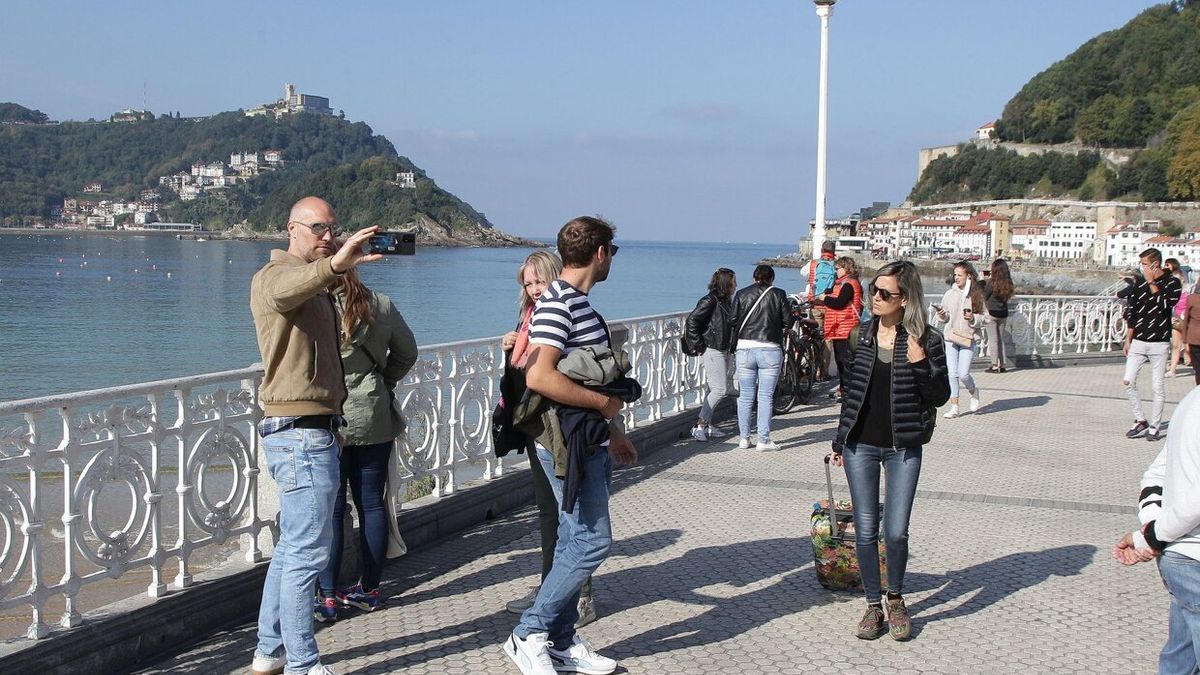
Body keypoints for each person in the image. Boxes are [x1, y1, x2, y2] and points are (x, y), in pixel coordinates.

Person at [249, 196, 382, 675]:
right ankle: (303, 663)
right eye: (319, 227)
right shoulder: (273, 277)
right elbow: (290, 289)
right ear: (292, 228)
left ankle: (269, 650)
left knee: (293, 547)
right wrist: (333, 267)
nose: (329, 235)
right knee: (308, 552)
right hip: (299, 434)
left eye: (334, 227)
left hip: (316, 430)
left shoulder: (317, 284)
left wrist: (336, 420)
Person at [503, 217, 637, 675]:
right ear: (600, 253)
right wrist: (603, 403)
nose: (612, 260)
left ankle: (560, 642)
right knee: (592, 541)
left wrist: (615, 433)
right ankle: (528, 633)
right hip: (568, 443)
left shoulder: (576, 304)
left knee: (570, 541)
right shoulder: (559, 303)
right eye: (612, 252)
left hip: (589, 440)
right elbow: (540, 375)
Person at [831, 260, 950, 642]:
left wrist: (919, 364)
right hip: (860, 446)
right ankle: (871, 605)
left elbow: (940, 396)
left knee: (896, 532)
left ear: (906, 299)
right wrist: (839, 442)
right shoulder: (859, 335)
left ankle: (895, 597)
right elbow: (850, 395)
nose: (875, 299)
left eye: (885, 294)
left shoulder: (927, 340)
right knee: (866, 531)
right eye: (873, 291)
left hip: (903, 448)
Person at [314, 266, 417, 622]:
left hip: (331, 415)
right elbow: (408, 352)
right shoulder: (380, 304)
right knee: (371, 503)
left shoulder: (320, 304)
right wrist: (381, 380)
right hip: (373, 413)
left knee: (333, 509)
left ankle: (327, 595)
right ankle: (369, 590)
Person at [501, 251, 598, 627]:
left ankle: (579, 599)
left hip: (563, 428)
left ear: (555, 277)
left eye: (540, 281)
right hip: (535, 427)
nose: (534, 289)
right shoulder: (528, 322)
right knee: (548, 512)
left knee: (572, 513)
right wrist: (509, 352)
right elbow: (519, 385)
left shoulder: (562, 314)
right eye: (528, 283)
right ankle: (548, 587)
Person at [1112, 386, 1200, 674]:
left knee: (1180, 661)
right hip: (1193, 558)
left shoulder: (1192, 399)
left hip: (1178, 558)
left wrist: (1150, 534)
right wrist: (1150, 537)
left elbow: (1155, 475)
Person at [1121, 247, 1183, 442]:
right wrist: (1128, 338)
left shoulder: (1172, 283)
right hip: (1139, 339)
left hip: (1159, 342)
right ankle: (1140, 419)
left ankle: (1155, 426)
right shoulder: (1139, 285)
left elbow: (1164, 303)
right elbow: (1133, 312)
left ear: (1155, 264)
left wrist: (1151, 282)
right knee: (1128, 381)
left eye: (1145, 264)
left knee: (1158, 387)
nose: (1142, 268)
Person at [729, 264, 791, 451]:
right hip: (770, 349)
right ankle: (763, 440)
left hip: (745, 349)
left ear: (755, 278)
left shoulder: (742, 294)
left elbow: (732, 319)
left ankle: (744, 438)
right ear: (771, 279)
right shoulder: (778, 293)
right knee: (765, 396)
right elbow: (788, 321)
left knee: (745, 396)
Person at [684, 267, 737, 441]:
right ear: (725, 283)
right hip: (713, 348)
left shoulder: (725, 301)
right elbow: (692, 321)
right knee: (720, 389)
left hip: (723, 348)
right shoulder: (710, 300)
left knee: (711, 389)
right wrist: (699, 345)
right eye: (733, 281)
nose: (736, 285)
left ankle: (707, 425)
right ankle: (699, 424)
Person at [935, 261, 986, 418]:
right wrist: (942, 314)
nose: (956, 278)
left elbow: (986, 317)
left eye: (959, 275)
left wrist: (973, 318)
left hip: (968, 338)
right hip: (951, 337)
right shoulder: (950, 294)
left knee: (963, 374)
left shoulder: (976, 295)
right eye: (955, 275)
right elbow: (944, 317)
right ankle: (954, 407)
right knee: (952, 373)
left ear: (969, 276)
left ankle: (973, 391)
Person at [818, 256, 863, 401]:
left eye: (838, 268)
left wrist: (826, 299)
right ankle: (844, 389)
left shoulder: (849, 284)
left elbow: (840, 303)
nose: (836, 271)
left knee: (845, 361)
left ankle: (848, 391)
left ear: (846, 268)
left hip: (846, 327)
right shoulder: (844, 283)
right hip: (839, 328)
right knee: (841, 361)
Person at [808, 241, 838, 380]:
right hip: (830, 306)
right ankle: (823, 372)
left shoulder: (814, 264)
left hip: (815, 304)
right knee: (828, 339)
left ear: (821, 249)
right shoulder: (836, 265)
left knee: (815, 337)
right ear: (833, 251)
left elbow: (809, 279)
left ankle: (813, 370)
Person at [983, 258, 1015, 373]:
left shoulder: (992, 282)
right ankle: (1002, 364)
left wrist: (984, 280)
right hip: (1003, 313)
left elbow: (984, 295)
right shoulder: (1008, 283)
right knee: (1000, 339)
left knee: (993, 340)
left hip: (991, 313)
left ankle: (994, 365)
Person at [1165, 258, 1192, 377]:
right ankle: (1172, 370)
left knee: (1189, 345)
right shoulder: (1173, 292)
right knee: (1175, 346)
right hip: (1176, 319)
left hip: (1187, 321)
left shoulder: (1188, 291)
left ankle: (1190, 359)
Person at [1184, 279, 1200, 386]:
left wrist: (1184, 340)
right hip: (1194, 337)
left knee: (1197, 367)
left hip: (1194, 337)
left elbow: (1185, 320)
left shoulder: (1192, 298)